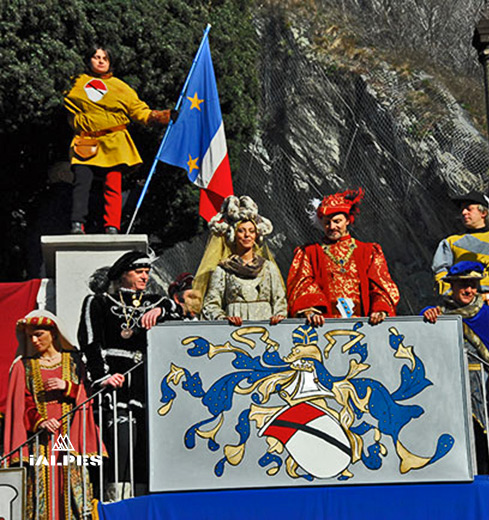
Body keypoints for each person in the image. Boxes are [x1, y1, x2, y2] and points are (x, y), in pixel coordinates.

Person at [78, 250, 177, 500]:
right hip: (115, 385)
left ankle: (143, 503)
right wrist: (103, 376)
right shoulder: (99, 302)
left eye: (147, 272)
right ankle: (115, 502)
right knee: (120, 446)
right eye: (138, 272)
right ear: (123, 274)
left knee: (146, 446)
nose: (145, 277)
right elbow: (90, 341)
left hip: (146, 385)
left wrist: (162, 312)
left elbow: (178, 311)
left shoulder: (155, 302)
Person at [5, 310, 105, 520]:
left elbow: (88, 393)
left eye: (39, 334)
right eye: (30, 336)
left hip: (70, 435)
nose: (34, 340)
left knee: (71, 482)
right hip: (40, 439)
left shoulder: (75, 361)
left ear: (54, 333)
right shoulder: (25, 366)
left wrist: (67, 386)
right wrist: (40, 422)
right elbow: (23, 402)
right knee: (42, 483)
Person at [64, 46, 172, 234]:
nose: (100, 61)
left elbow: (140, 112)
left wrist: (161, 116)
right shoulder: (75, 83)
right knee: (82, 183)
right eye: (96, 57)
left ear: (110, 62)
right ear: (89, 60)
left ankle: (112, 226)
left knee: (113, 185)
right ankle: (76, 224)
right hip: (86, 141)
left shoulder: (121, 87)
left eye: (104, 58)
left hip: (114, 142)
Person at [422, 261, 489, 474]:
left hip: (484, 388)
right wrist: (426, 314)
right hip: (450, 387)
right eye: (463, 285)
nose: (469, 290)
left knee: (486, 442)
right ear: (453, 286)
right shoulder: (438, 314)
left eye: (473, 285)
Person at [287, 188, 400, 326]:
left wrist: (380, 309)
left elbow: (380, 285)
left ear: (347, 220)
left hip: (364, 324)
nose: (332, 226)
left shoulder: (368, 251)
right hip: (324, 324)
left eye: (337, 221)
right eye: (327, 222)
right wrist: (312, 310)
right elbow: (303, 284)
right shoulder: (309, 253)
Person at [196, 195, 287, 325]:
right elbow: (211, 304)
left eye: (251, 231)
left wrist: (279, 316)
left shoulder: (268, 268)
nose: (247, 235)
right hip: (234, 333)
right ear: (234, 234)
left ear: (256, 235)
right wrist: (223, 319)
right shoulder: (223, 270)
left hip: (267, 331)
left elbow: (280, 300)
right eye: (241, 231)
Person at [431, 192, 489, 295]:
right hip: (462, 303)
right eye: (462, 209)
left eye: (469, 209)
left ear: (483, 213)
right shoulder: (450, 242)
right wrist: (452, 294)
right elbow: (441, 272)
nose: (463, 212)